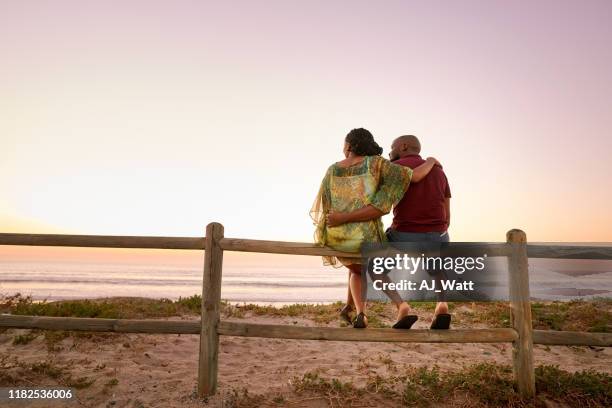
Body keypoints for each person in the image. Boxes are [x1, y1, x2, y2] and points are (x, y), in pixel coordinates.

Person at [310, 128, 440, 328]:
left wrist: (337, 222)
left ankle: (358, 312)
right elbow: (413, 178)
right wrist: (431, 160)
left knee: (356, 270)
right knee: (373, 265)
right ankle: (400, 304)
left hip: (337, 237)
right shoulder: (377, 164)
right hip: (366, 237)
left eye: (344, 145)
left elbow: (325, 206)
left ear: (350, 145)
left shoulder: (332, 169)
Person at [387, 135, 452, 329]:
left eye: (392, 147)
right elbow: (446, 205)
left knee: (375, 268)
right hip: (437, 234)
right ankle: (442, 304)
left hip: (404, 234)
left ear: (404, 146)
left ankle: (402, 306)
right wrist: (441, 227)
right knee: (437, 268)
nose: (390, 152)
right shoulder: (439, 171)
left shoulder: (395, 168)